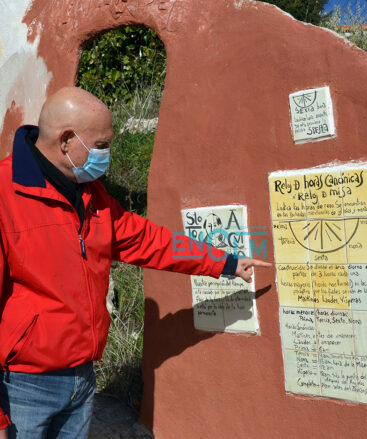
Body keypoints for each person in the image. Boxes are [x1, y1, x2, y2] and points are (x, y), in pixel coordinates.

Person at [0, 87, 270, 438]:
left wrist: (225, 263)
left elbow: (148, 241)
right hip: (23, 387)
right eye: (101, 144)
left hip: (82, 380)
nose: (107, 154)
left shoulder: (91, 194)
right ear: (66, 140)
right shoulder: (6, 195)